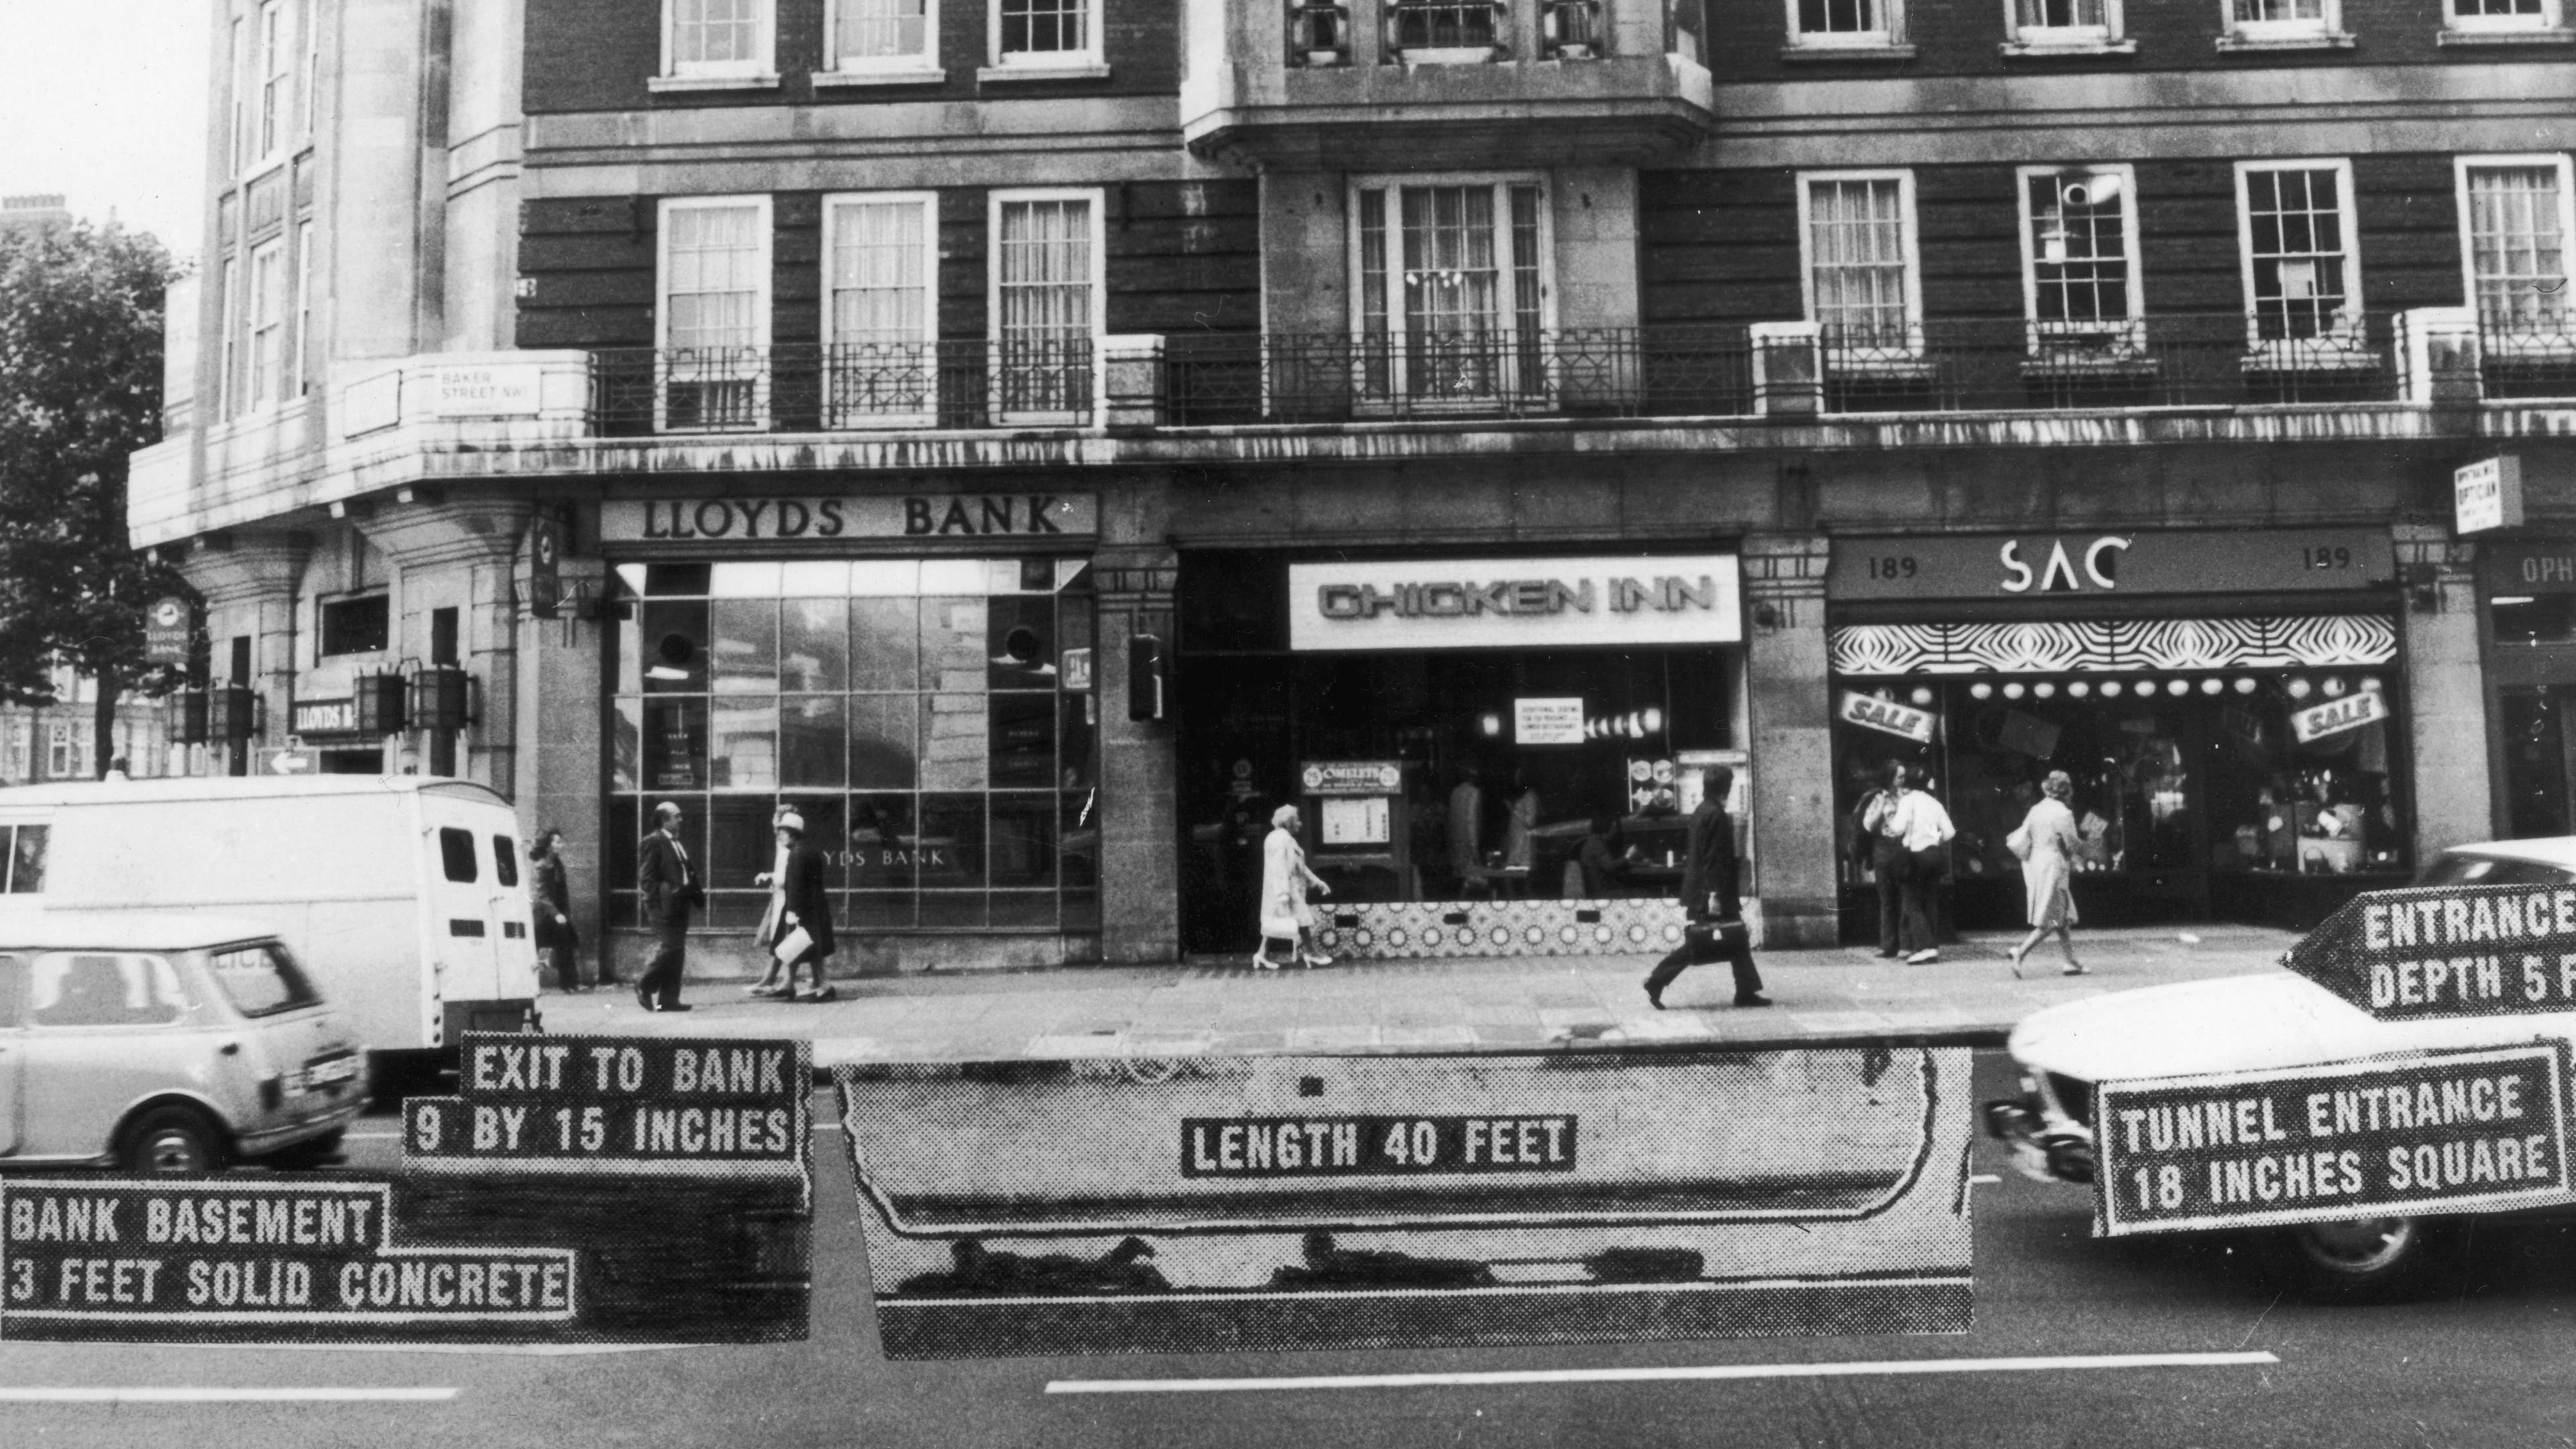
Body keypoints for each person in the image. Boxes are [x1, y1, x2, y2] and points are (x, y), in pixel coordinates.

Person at [1643, 765, 1770, 1009]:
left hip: (1705, 889)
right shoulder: (1716, 814)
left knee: (1737, 938)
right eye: (1729, 785)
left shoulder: (1701, 811)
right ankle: (1657, 980)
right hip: (1712, 891)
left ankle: (1746, 992)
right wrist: (1714, 895)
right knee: (1700, 943)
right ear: (1725, 787)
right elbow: (1713, 859)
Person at [2007, 771, 2086, 977]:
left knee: (2062, 915)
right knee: (2052, 918)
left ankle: (2071, 961)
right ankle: (2021, 952)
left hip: (2036, 863)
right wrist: (2087, 845)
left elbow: (2026, 835)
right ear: (2067, 791)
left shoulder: (2036, 809)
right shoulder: (2064, 814)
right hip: (2055, 865)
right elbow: (2072, 845)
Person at [1880, 766, 1957, 965]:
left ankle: (1924, 947)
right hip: (1935, 856)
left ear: (1909, 785)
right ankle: (1932, 948)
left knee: (1912, 903)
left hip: (1915, 857)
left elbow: (1897, 828)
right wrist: (1934, 839)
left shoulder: (1908, 801)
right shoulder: (1935, 803)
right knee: (1930, 902)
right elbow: (1949, 832)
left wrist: (1888, 824)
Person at [761, 810, 840, 1001]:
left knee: (801, 946)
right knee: (811, 948)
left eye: (783, 832)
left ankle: (822, 986)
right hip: (815, 908)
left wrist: (792, 911)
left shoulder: (796, 854)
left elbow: (796, 885)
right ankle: (799, 984)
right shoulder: (810, 850)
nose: (779, 835)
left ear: (792, 833)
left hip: (802, 910)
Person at [635, 800, 700, 1012]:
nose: (681, 820)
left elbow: (686, 872)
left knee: (677, 951)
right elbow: (646, 878)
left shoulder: (676, 842)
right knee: (670, 947)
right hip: (662, 906)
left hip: (680, 904)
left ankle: (668, 1000)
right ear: (665, 819)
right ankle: (644, 983)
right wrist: (662, 898)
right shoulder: (653, 841)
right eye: (677, 816)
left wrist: (692, 894)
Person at [1255, 803, 1332, 969]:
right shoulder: (1281, 840)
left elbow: (1300, 866)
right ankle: (1311, 953)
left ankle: (1261, 954)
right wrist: (1283, 895)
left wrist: (1317, 882)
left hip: (1288, 889)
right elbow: (1279, 868)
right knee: (1301, 920)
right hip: (1286, 890)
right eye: (1297, 820)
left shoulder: (1281, 838)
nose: (1300, 823)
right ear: (1288, 822)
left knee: (1276, 922)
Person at [1856, 761, 1911, 959]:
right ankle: (1888, 944)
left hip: (1903, 848)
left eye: (1904, 777)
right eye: (1898, 777)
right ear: (1890, 778)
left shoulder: (1908, 796)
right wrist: (1880, 806)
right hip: (1883, 850)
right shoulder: (1877, 798)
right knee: (1887, 900)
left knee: (1905, 898)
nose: (1902, 781)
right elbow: (1868, 825)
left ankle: (1905, 944)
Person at [747, 802, 798, 998]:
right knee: (781, 940)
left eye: (776, 821)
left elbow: (786, 875)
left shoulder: (786, 845)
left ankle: (785, 982)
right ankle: (773, 980)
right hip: (781, 898)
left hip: (786, 899)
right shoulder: (783, 843)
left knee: (786, 940)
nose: (773, 825)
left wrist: (769, 877)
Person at [527, 828, 582, 991]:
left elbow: (561, 891)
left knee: (566, 944)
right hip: (544, 914)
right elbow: (542, 895)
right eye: (557, 842)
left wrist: (564, 913)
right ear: (548, 845)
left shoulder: (557, 863)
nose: (561, 846)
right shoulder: (541, 866)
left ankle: (570, 984)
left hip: (557, 912)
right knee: (532, 948)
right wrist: (556, 914)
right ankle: (524, 982)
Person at [1447, 763, 1487, 895]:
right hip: (1470, 843)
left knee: (1461, 877)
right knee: (1473, 881)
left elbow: (1452, 820)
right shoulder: (1474, 793)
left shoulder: (1455, 792)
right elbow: (1472, 820)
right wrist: (1474, 846)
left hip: (1456, 842)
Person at [1576, 815, 1637, 896]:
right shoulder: (1597, 844)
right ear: (1605, 827)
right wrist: (1628, 856)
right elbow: (1610, 866)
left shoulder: (1593, 841)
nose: (1615, 829)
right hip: (1604, 893)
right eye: (1613, 825)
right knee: (1643, 893)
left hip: (1600, 890)